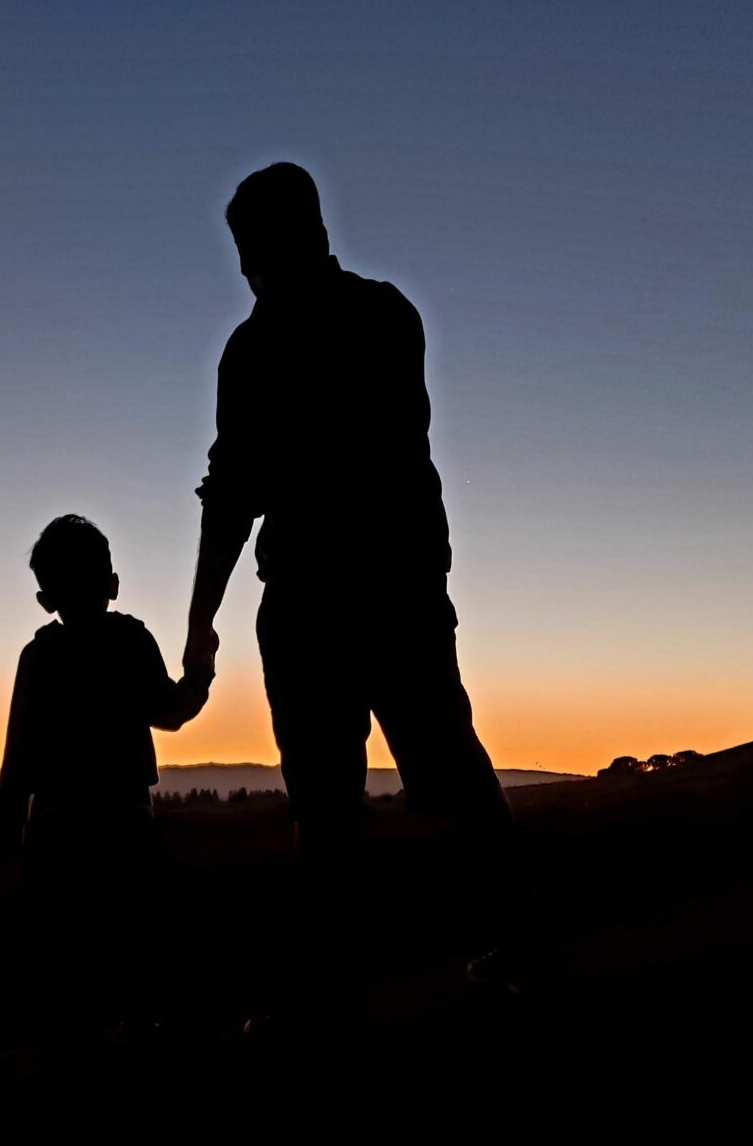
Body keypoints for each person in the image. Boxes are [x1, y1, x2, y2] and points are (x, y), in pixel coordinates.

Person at [178, 163, 520, 1028]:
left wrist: (201, 620)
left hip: (337, 599)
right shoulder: (381, 317)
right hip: (378, 593)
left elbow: (235, 489)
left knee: (357, 798)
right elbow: (250, 484)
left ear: (280, 243)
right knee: (419, 782)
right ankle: (503, 948)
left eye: (251, 252)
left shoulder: (269, 347)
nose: (248, 270)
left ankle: (348, 989)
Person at [0, 513, 216, 1039]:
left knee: (65, 954)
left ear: (46, 600)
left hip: (55, 825)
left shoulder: (38, 656)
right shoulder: (130, 640)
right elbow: (170, 712)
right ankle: (142, 1039)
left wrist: (8, 827)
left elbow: (17, 750)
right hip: (124, 819)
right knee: (135, 941)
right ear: (112, 583)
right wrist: (200, 676)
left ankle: (74, 1056)